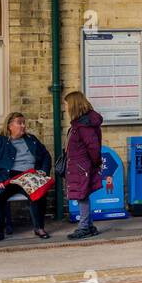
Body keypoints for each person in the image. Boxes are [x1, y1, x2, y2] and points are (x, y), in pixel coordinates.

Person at [0, 111, 53, 244]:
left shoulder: (32, 140)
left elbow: (46, 156)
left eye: (24, 123)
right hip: (7, 177)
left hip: (29, 176)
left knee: (38, 193)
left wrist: (43, 171)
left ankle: (39, 228)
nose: (23, 126)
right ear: (9, 126)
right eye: (19, 123)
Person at [63, 91, 103, 240]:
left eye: (66, 105)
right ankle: (89, 226)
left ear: (73, 105)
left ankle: (84, 227)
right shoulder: (81, 124)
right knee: (82, 195)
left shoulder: (83, 126)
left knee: (82, 196)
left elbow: (93, 147)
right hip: (80, 166)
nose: (65, 108)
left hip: (82, 167)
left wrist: (96, 163)